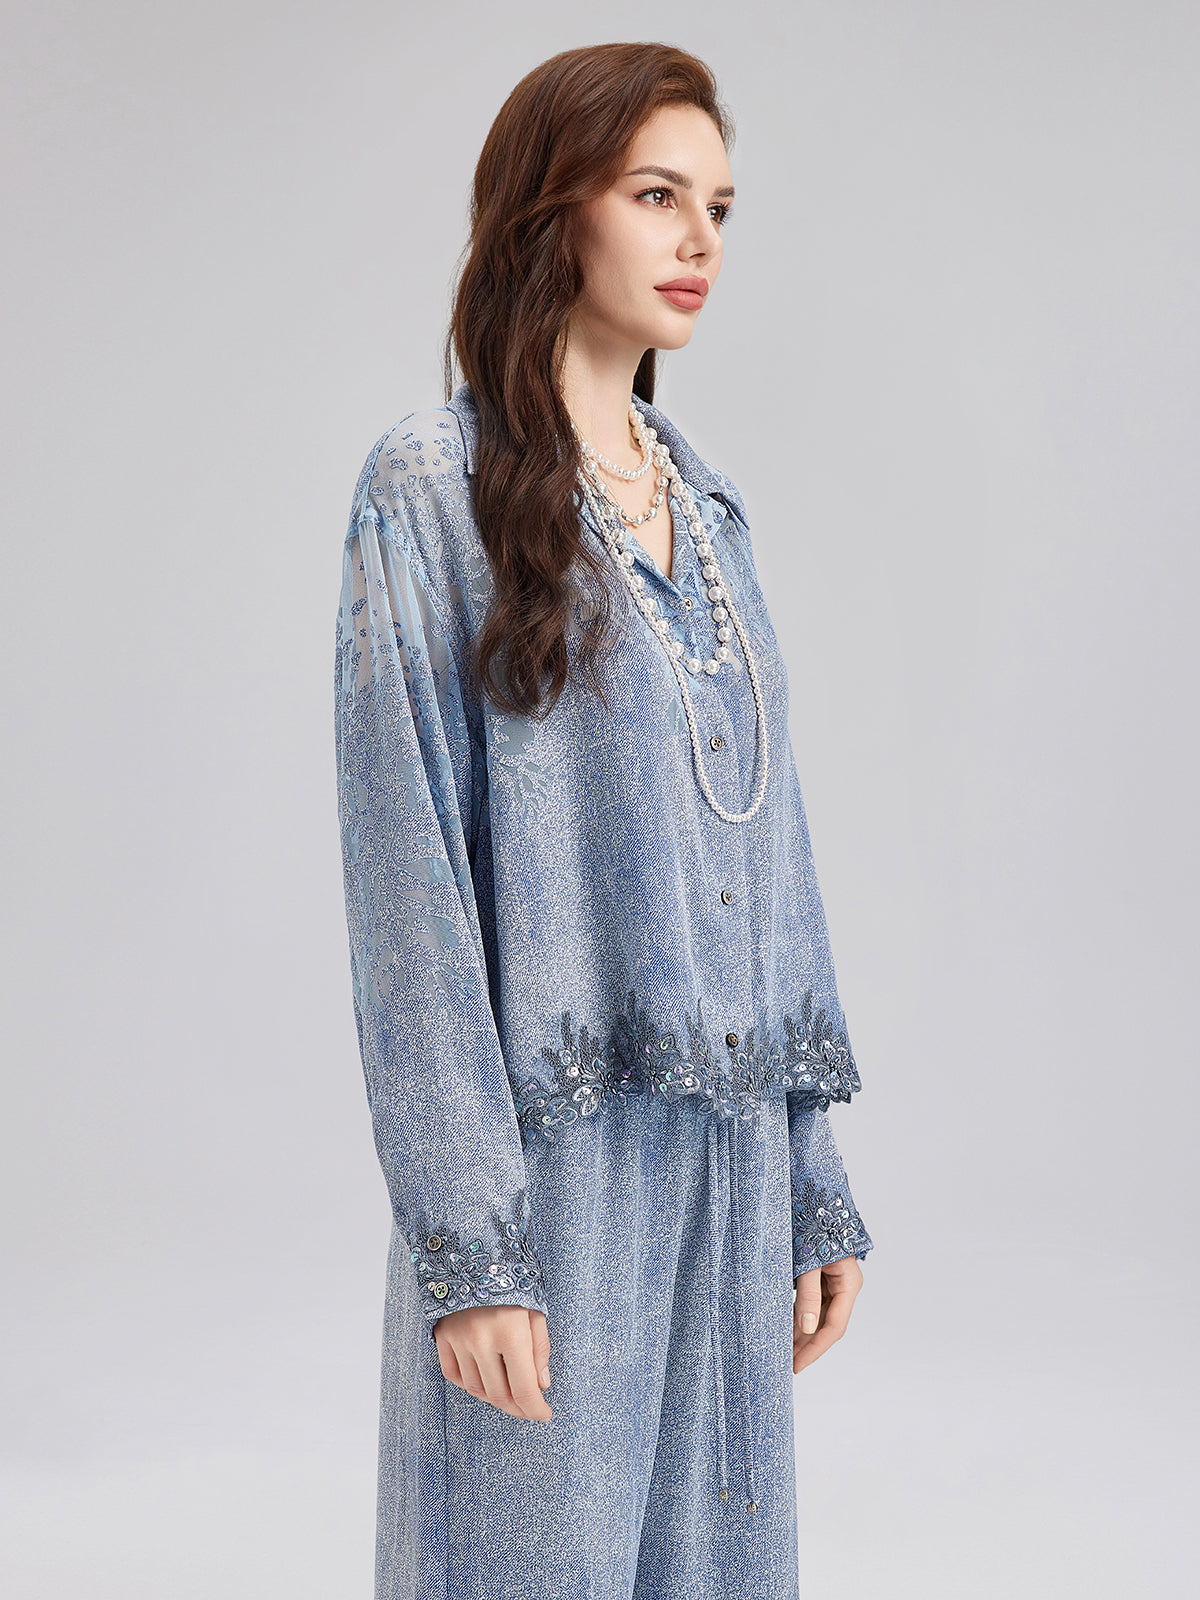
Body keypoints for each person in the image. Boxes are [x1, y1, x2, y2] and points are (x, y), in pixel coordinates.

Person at [334, 39, 875, 1600]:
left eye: (720, 207)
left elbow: (774, 852)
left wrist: (812, 1165)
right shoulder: (431, 491)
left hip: (731, 1176)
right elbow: (408, 888)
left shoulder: (711, 512)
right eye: (657, 196)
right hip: (551, 1185)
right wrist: (471, 1242)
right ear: (550, 210)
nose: (701, 240)